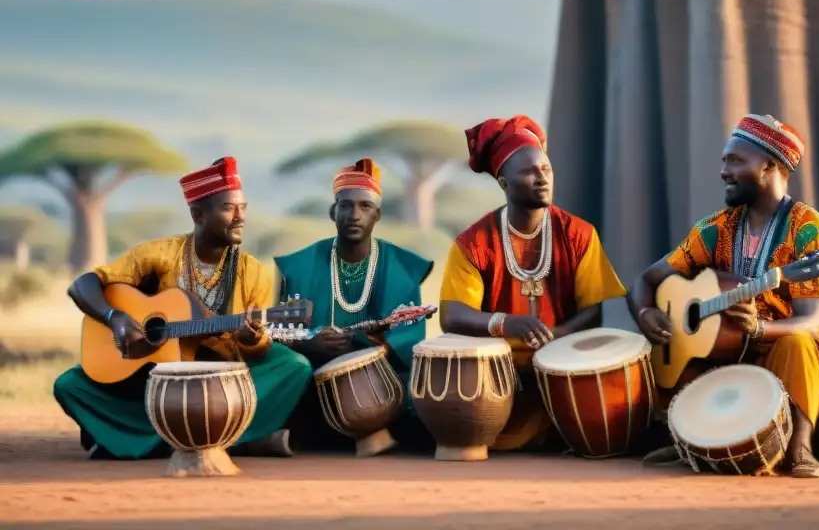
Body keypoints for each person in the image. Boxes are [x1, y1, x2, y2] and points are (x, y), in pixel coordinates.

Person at [627, 114, 819, 478]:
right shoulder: (715, 229)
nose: (724, 171)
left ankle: (799, 447)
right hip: (728, 352)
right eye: (724, 161)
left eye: (735, 161)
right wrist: (645, 313)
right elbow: (648, 279)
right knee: (684, 350)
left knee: (797, 345)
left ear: (769, 166)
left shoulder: (812, 231)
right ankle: (691, 442)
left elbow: (811, 324)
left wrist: (760, 329)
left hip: (789, 356)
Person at [52, 157, 313, 460]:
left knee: (294, 366)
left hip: (220, 382)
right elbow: (82, 285)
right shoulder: (158, 255)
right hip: (151, 383)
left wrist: (252, 339)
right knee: (69, 384)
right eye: (229, 208)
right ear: (198, 214)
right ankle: (226, 441)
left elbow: (255, 349)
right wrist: (115, 318)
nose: (240, 217)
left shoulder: (252, 271)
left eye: (243, 208)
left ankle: (141, 441)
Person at [439, 115, 627, 451]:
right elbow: (452, 315)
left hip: (562, 365)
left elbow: (596, 307)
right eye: (529, 172)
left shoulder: (578, 234)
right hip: (498, 371)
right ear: (504, 184)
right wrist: (506, 323)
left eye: (546, 169)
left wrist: (558, 337)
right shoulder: (474, 242)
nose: (542, 178)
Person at [273, 158, 435, 451]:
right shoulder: (300, 266)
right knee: (288, 371)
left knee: (424, 389)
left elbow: (409, 339)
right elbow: (280, 334)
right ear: (333, 212)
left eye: (365, 206)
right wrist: (310, 342)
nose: (354, 214)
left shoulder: (400, 266)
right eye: (345, 206)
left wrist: (362, 344)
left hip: (384, 376)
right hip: (314, 374)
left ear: (378, 214)